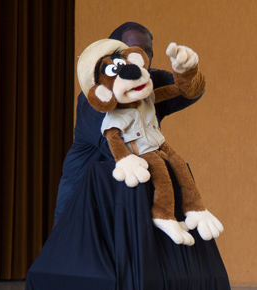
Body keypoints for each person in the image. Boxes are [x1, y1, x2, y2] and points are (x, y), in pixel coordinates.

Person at [53, 22, 203, 224]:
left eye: (145, 53)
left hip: (126, 201)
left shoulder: (149, 81)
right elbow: (121, 146)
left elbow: (189, 93)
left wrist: (187, 73)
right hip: (83, 202)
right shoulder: (96, 96)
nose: (137, 64)